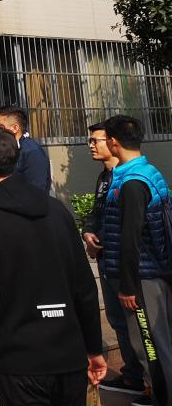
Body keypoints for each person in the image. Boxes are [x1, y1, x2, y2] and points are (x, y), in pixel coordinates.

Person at [0, 123, 106, 406]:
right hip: (69, 356)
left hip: (18, 365)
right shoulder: (56, 209)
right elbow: (85, 287)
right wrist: (93, 347)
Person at [101, 115, 172, 403]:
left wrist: (128, 286)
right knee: (158, 342)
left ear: (113, 142)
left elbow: (130, 238)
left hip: (142, 280)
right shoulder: (147, 171)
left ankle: (163, 397)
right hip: (151, 272)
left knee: (151, 346)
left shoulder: (131, 183)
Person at [81, 121, 147, 398]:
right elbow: (98, 213)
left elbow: (132, 231)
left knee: (140, 327)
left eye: (97, 140)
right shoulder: (104, 177)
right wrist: (88, 233)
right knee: (119, 322)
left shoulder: (131, 179)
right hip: (108, 262)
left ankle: (151, 382)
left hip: (129, 268)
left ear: (113, 142)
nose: (92, 146)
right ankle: (132, 377)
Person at [0, 105, 52, 192]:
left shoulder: (32, 152)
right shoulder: (9, 148)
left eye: (0, 127)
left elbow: (37, 191)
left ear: (15, 128)